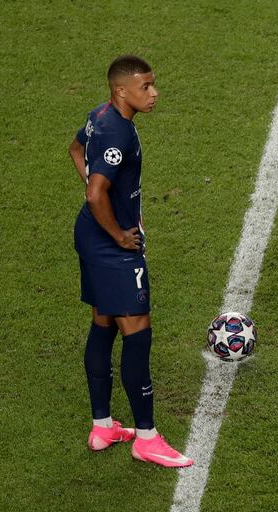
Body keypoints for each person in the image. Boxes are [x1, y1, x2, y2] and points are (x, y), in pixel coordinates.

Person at [68, 55, 193, 467]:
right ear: (122, 90)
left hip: (89, 235)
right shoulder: (118, 133)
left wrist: (105, 200)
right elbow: (94, 192)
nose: (153, 93)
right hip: (111, 246)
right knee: (137, 333)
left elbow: (75, 148)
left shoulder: (99, 115)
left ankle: (103, 426)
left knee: (103, 322)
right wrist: (120, 232)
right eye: (145, 87)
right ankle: (147, 438)